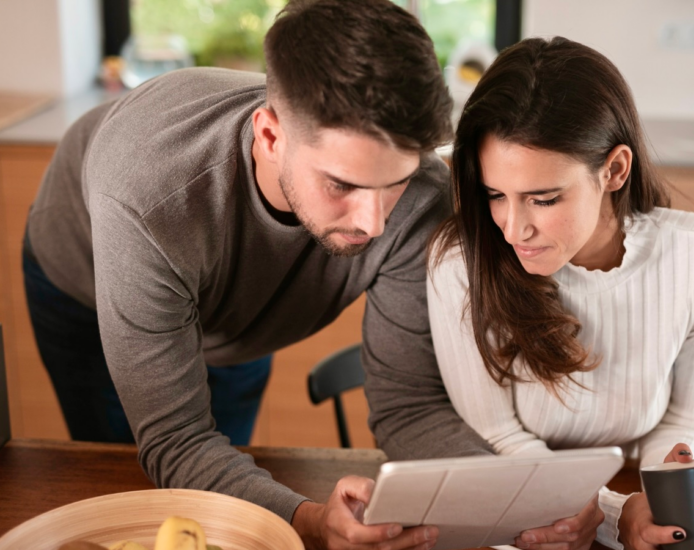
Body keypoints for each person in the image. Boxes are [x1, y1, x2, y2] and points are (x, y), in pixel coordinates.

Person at [22, 1, 492, 549]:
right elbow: (176, 442)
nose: (374, 221)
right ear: (270, 137)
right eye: (342, 184)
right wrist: (314, 522)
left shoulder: (422, 198)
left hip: (239, 301)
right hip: (86, 283)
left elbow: (407, 406)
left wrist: (521, 501)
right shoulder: (150, 194)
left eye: (395, 183)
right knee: (130, 494)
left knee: (224, 513)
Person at [426, 37, 694, 550]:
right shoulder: (459, 264)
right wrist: (615, 515)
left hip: (620, 490)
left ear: (615, 170)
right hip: (520, 507)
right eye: (495, 195)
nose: (514, 229)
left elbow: (684, 420)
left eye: (543, 198)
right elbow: (500, 438)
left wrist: (673, 501)